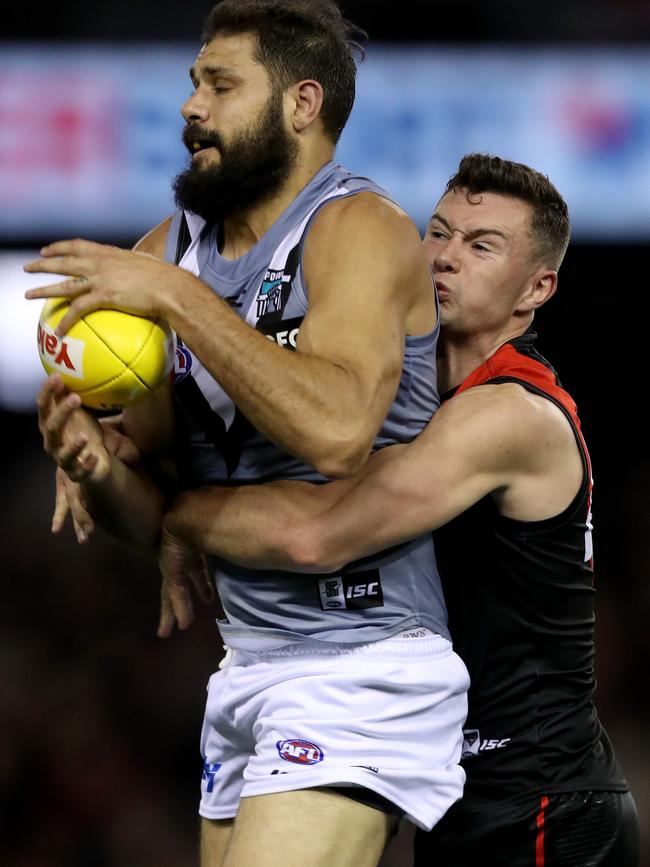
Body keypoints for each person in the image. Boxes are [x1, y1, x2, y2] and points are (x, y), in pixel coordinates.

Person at [26, 2, 470, 866]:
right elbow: (155, 520)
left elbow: (339, 431)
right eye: (194, 81)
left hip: (365, 662)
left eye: (222, 84)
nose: (192, 106)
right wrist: (94, 464)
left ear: (302, 105)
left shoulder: (360, 230)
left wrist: (181, 302)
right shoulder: (168, 254)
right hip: (244, 668)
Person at [131, 154, 638, 866]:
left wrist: (174, 513)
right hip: (458, 792)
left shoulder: (509, 415)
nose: (444, 258)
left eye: (481, 245)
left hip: (544, 800)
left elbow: (314, 532)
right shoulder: (411, 392)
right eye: (438, 232)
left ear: (537, 288)